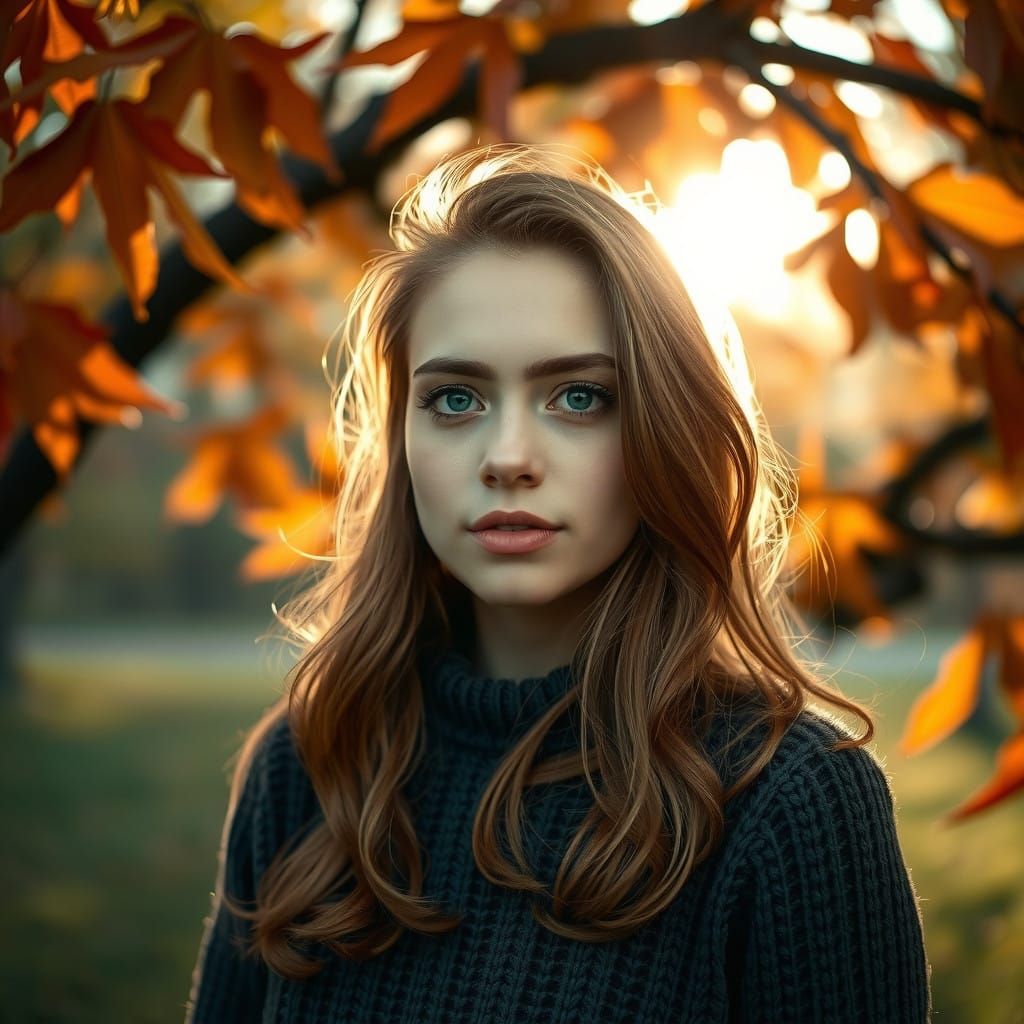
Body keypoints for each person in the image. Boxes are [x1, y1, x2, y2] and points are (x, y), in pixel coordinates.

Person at [184, 143, 932, 1023]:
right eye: (455, 399)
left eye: (578, 397)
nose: (506, 458)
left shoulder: (792, 803)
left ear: (666, 431)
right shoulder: (316, 764)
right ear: (400, 439)